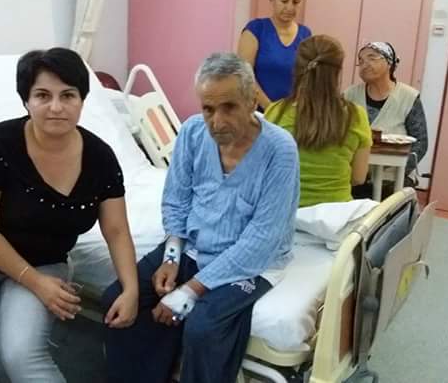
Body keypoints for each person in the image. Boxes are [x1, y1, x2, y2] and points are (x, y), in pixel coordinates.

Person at [0, 47, 139, 382]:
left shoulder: (100, 158)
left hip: (45, 262)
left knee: (21, 355)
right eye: (43, 95)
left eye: (67, 95)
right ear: (26, 100)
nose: (56, 107)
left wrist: (131, 289)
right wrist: (35, 283)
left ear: (82, 100)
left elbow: (116, 230)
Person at [102, 53, 300, 383]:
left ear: (252, 101)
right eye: (208, 109)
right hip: (193, 248)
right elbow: (176, 199)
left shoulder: (279, 149)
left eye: (229, 107)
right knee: (118, 298)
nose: (217, 121)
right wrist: (171, 256)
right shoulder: (192, 132)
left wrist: (189, 291)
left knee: (203, 328)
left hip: (253, 262)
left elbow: (262, 238)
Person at [266, 35, 371, 207]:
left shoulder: (275, 112)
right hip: (336, 216)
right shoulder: (357, 116)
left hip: (286, 212)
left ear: (297, 68)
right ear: (337, 72)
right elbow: (358, 178)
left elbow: (264, 169)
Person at [344, 41, 428, 189]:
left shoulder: (408, 97)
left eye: (372, 58)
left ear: (389, 63)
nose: (364, 65)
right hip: (354, 177)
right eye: (361, 61)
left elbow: (421, 143)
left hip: (395, 178)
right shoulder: (349, 95)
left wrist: (397, 170)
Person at [237, 0, 311, 111]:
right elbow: (244, 74)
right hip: (256, 112)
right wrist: (270, 109)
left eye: (296, 2)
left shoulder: (305, 34)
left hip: (291, 114)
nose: (290, 7)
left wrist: (290, 112)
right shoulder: (256, 29)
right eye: (284, 1)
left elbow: (307, 79)